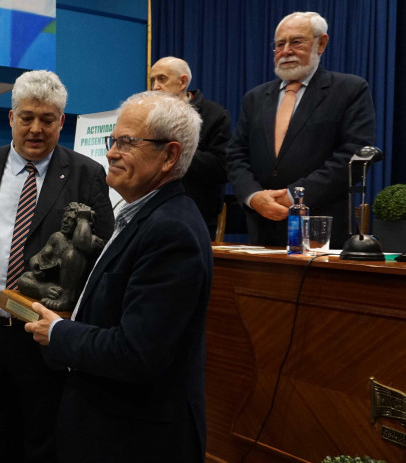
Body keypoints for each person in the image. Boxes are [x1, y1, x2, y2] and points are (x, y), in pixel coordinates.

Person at [0, 70, 115, 462]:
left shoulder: (87, 173)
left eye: (47, 119)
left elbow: (102, 255)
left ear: (61, 122)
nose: (36, 128)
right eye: (27, 117)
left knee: (41, 438)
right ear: (11, 118)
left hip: (44, 334)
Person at [25, 91, 212, 462]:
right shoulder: (139, 217)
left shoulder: (171, 231)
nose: (111, 152)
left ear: (169, 156)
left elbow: (136, 353)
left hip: (135, 439)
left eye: (127, 142)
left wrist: (59, 332)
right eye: (113, 140)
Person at [227, 11, 376, 248]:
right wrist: (254, 197)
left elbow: (352, 157)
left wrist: (293, 196)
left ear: (321, 43)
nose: (286, 51)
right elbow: (236, 155)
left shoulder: (349, 90)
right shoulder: (254, 98)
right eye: (279, 44)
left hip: (321, 231)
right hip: (262, 229)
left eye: (296, 42)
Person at [150, 56, 232, 240]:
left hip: (196, 214)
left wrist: (174, 152)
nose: (155, 87)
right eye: (152, 80)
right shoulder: (149, 116)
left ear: (182, 82)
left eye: (162, 79)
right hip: (153, 211)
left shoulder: (215, 115)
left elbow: (221, 168)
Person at [17, 202, 104, 312]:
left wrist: (83, 219)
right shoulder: (57, 237)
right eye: (64, 217)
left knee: (73, 253)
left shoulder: (93, 241)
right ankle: (46, 291)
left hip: (76, 291)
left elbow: (81, 243)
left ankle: (66, 299)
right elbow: (39, 257)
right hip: (55, 284)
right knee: (24, 279)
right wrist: (35, 263)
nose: (65, 221)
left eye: (71, 220)